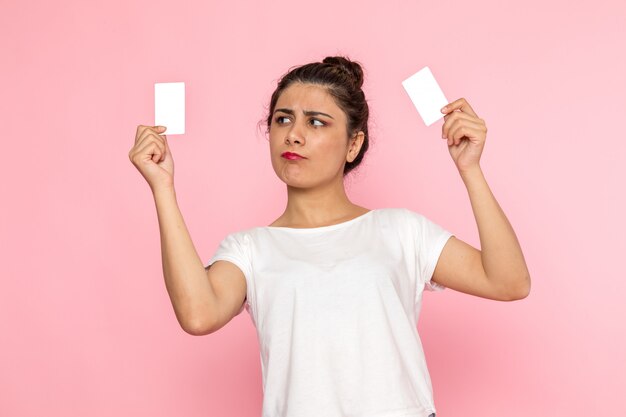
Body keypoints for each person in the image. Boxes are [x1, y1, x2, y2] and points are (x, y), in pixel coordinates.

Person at [129, 56, 531, 417]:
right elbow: (198, 315)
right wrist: (163, 188)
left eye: (316, 122)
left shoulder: (401, 230)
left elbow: (509, 281)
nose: (293, 135)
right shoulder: (249, 249)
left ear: (353, 144)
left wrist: (470, 169)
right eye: (282, 119)